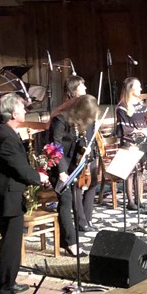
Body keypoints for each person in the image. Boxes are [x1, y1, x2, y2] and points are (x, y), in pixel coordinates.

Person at [0, 93, 48, 294]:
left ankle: (8, 283)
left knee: (12, 244)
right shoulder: (4, 136)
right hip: (7, 198)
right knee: (10, 247)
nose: (25, 111)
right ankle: (3, 292)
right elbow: (18, 168)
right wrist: (38, 177)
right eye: (22, 109)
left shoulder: (3, 131)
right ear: (13, 113)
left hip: (9, 196)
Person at [48, 94, 99, 257]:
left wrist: (85, 149)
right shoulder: (60, 119)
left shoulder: (79, 122)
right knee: (66, 201)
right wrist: (62, 171)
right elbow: (54, 147)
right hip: (57, 166)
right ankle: (71, 243)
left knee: (68, 200)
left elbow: (77, 142)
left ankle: (66, 240)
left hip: (72, 165)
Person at [63, 75, 100, 231]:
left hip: (90, 148)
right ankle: (80, 221)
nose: (85, 88)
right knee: (77, 186)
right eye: (82, 86)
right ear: (73, 90)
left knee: (93, 182)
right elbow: (70, 135)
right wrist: (82, 147)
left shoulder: (87, 107)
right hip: (76, 152)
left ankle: (88, 218)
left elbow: (89, 129)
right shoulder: (68, 111)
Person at [116, 77, 147, 207]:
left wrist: (146, 130)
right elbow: (124, 129)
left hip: (141, 142)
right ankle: (130, 201)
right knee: (130, 172)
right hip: (129, 143)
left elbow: (143, 123)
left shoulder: (141, 106)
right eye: (138, 86)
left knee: (140, 172)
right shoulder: (122, 107)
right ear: (131, 89)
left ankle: (139, 200)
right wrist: (137, 132)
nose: (141, 89)